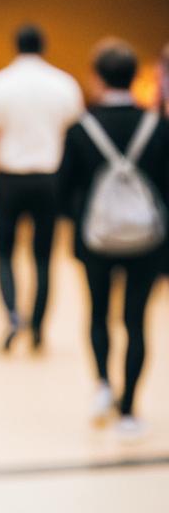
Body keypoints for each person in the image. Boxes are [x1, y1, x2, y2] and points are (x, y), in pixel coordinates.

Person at [58, 39, 169, 437]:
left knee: (99, 312)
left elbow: (65, 191)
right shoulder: (158, 126)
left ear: (97, 76)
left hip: (96, 238)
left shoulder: (80, 128)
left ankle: (104, 383)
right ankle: (130, 409)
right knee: (137, 320)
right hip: (148, 241)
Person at [0, 24, 83, 351]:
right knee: (43, 256)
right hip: (50, 181)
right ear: (43, 46)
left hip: (10, 179)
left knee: (5, 252)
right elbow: (75, 137)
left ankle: (11, 315)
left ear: (16, 45)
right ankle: (37, 326)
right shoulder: (64, 84)